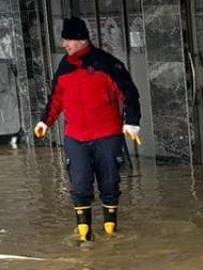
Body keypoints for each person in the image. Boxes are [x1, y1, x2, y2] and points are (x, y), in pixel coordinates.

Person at [34, 16, 142, 243]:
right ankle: (84, 235)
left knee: (110, 183)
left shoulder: (108, 64)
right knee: (80, 184)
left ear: (81, 40)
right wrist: (45, 122)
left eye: (68, 40)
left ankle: (111, 231)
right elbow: (56, 100)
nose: (64, 45)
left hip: (107, 136)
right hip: (76, 137)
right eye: (63, 40)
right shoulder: (64, 67)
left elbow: (130, 93)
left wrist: (131, 123)